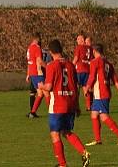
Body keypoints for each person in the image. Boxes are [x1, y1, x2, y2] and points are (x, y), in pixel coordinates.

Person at [38, 39, 91, 167]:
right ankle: (84, 152)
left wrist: (41, 85)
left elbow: (49, 87)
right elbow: (76, 86)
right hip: (71, 103)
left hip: (57, 105)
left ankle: (62, 164)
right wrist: (77, 106)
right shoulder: (71, 65)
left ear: (51, 52)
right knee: (66, 131)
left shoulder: (51, 65)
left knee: (55, 134)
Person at [85, 43, 118, 146]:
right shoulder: (108, 63)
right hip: (105, 92)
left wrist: (87, 87)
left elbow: (92, 76)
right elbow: (115, 80)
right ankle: (98, 139)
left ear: (94, 51)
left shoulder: (95, 62)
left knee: (103, 116)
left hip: (101, 93)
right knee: (94, 114)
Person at [25, 33, 45, 118]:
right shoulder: (37, 48)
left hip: (32, 73)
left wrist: (28, 74)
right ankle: (53, 112)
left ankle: (32, 112)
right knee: (45, 92)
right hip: (38, 73)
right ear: (37, 39)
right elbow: (39, 61)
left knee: (40, 93)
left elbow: (29, 62)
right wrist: (47, 67)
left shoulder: (29, 48)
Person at [72, 35, 92, 107]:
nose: (77, 41)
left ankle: (75, 105)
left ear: (82, 40)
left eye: (78, 39)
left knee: (76, 88)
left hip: (79, 70)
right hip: (87, 70)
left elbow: (76, 58)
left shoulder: (79, 47)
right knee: (86, 88)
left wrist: (71, 66)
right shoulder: (89, 48)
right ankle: (89, 106)